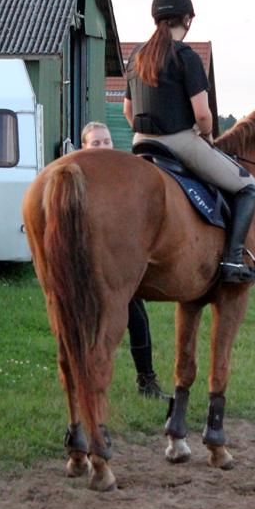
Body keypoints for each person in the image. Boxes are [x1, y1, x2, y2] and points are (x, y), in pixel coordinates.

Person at [124, 0, 255, 283]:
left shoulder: (136, 56)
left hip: (140, 144)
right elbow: (201, 113)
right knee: (248, 186)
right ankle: (233, 261)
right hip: (179, 143)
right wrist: (208, 137)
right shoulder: (186, 56)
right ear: (186, 20)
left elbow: (127, 110)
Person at [80, 121, 168, 400]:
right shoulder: (79, 180)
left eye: (106, 142)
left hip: (119, 268)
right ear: (84, 147)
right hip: (89, 266)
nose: (103, 147)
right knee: (89, 324)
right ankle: (87, 383)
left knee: (138, 319)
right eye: (96, 143)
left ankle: (147, 381)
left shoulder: (121, 181)